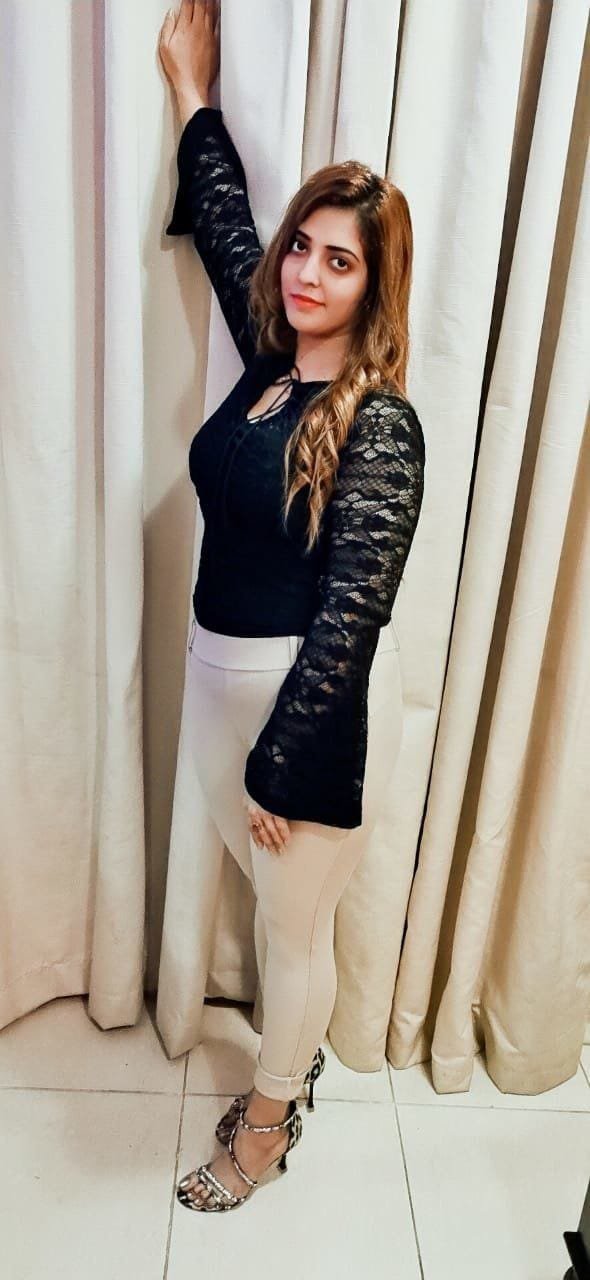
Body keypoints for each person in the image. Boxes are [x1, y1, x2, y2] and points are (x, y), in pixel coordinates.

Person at [159, 0, 426, 1213]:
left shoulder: (380, 423)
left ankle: (269, 1119)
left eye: (340, 258)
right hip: (218, 683)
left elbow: (351, 615)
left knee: (291, 932)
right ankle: (287, 1067)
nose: (306, 271)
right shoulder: (272, 367)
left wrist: (283, 760)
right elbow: (225, 227)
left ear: (374, 284)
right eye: (301, 247)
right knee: (272, 910)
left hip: (296, 714)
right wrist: (190, 95)